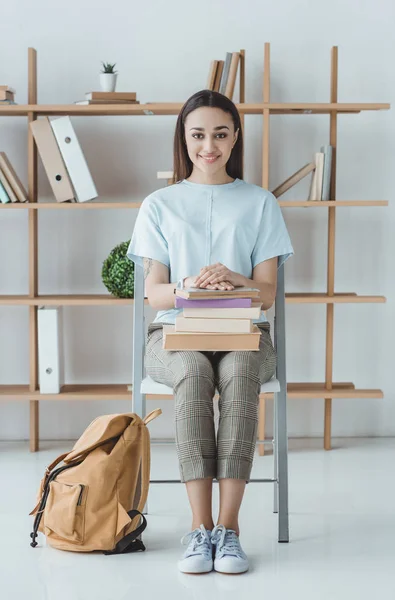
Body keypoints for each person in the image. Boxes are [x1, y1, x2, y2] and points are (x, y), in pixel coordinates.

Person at [127, 89, 294, 575]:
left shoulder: (260, 203)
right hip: (173, 335)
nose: (209, 146)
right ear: (184, 137)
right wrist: (189, 286)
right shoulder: (159, 204)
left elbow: (266, 293)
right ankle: (199, 530)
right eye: (198, 134)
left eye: (220, 134)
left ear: (235, 137)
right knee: (194, 375)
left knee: (241, 373)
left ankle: (230, 530)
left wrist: (233, 278)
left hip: (247, 333)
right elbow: (152, 292)